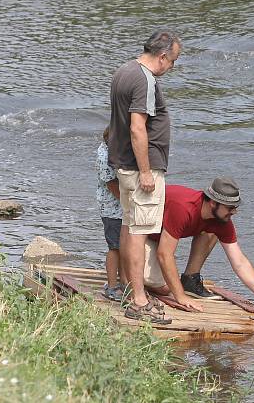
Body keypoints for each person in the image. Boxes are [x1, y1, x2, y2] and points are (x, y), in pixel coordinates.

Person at [107, 30, 182, 323]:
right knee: (139, 230)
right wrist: (146, 172)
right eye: (172, 61)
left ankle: (129, 288)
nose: (172, 67)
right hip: (139, 168)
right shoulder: (144, 79)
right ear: (162, 56)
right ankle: (139, 300)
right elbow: (138, 127)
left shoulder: (124, 70)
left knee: (129, 225)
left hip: (124, 164)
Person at [142, 177, 254, 314]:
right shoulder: (184, 208)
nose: (234, 212)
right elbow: (164, 254)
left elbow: (239, 262)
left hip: (163, 237)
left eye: (235, 207)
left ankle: (190, 280)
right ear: (213, 203)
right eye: (230, 207)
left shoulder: (222, 220)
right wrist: (180, 297)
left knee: (213, 231)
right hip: (144, 235)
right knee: (165, 288)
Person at [95, 126, 127, 301]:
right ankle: (112, 286)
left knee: (122, 247)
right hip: (111, 208)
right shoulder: (105, 157)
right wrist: (129, 203)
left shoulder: (108, 150)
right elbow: (112, 185)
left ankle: (123, 282)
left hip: (117, 207)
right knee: (115, 247)